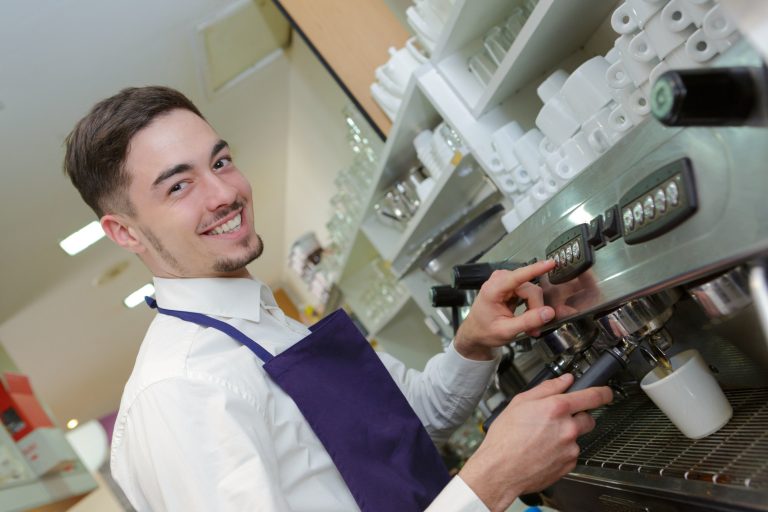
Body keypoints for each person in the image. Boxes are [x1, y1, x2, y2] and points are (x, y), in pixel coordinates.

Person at [64, 86, 612, 512]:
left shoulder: (266, 322)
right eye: (178, 186)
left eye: (221, 161)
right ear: (126, 232)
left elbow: (411, 424)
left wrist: (472, 344)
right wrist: (490, 480)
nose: (225, 193)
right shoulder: (179, 392)